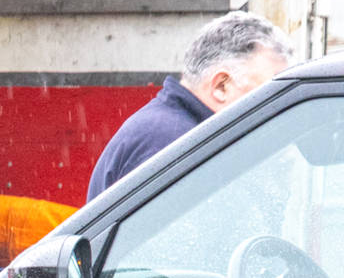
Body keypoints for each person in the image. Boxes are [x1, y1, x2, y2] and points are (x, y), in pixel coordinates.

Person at [87, 11, 294, 200]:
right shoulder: (171, 142)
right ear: (221, 86)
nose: (273, 107)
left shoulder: (182, 132)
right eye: (266, 94)